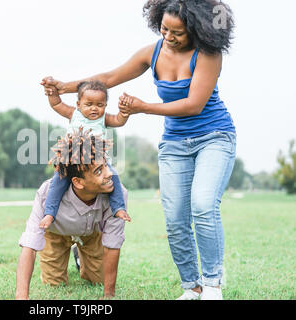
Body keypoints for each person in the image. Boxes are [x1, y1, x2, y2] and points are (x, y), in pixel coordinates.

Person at [41, 0, 236, 300]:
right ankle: (191, 287)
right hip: (174, 145)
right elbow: (106, 80)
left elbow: (193, 104)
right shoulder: (153, 52)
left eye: (178, 33)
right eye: (164, 29)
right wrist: (63, 87)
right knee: (174, 218)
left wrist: (143, 108)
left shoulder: (208, 53)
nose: (169, 38)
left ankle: (212, 286)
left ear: (197, 29)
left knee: (203, 206)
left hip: (214, 136)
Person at [15, 128, 128, 300]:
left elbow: (113, 244)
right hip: (56, 234)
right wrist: (21, 297)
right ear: (78, 182)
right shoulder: (47, 193)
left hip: (91, 234)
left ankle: (79, 256)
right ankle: (68, 252)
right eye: (99, 171)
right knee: (54, 283)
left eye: (106, 165)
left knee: (98, 280)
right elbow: (29, 245)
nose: (110, 174)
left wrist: (108, 295)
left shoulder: (116, 193)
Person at [39, 80, 131, 230]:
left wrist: (124, 113)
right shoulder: (74, 114)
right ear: (78, 104)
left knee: (114, 177)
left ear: (105, 106)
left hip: (98, 163)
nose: (94, 109)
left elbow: (118, 120)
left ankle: (119, 208)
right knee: (57, 182)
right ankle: (49, 213)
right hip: (72, 161)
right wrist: (53, 94)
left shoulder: (104, 118)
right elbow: (57, 105)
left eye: (99, 105)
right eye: (89, 104)